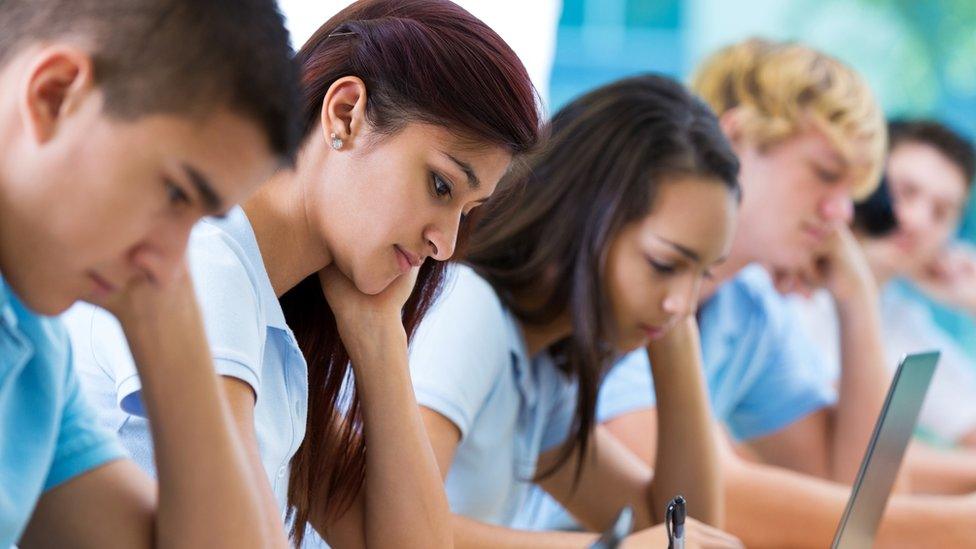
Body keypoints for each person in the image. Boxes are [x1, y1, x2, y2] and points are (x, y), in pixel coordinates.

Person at [65, 0, 541, 546]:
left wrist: (378, 333)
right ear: (346, 114)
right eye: (440, 186)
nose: (446, 243)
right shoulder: (207, 258)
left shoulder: (272, 326)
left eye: (467, 211)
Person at [530, 38, 976, 548]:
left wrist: (856, 300)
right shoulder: (637, 282)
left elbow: (863, 491)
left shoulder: (751, 307)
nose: (841, 214)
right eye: (826, 176)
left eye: (850, 194)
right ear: (736, 140)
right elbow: (710, 503)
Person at [0, 0, 302, 546]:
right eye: (174, 194)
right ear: (55, 94)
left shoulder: (34, 353)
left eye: (200, 222)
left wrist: (167, 317)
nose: (170, 265)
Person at [409, 74, 744, 548]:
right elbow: (395, 527)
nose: (682, 302)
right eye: (665, 264)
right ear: (585, 216)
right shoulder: (469, 307)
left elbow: (680, 536)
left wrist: (676, 337)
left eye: (703, 274)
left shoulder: (538, 370)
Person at [792, 118, 976, 494]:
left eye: (941, 213)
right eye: (904, 192)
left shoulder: (902, 323)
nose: (917, 221)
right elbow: (848, 455)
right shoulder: (786, 292)